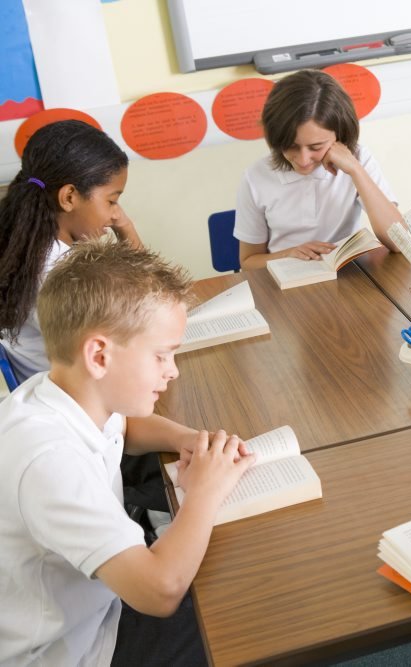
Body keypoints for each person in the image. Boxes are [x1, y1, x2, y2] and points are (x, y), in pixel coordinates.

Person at [0, 240, 255, 666]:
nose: (172, 370)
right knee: (241, 617)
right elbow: (159, 592)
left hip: (101, 607)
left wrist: (186, 439)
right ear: (99, 355)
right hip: (81, 650)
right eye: (161, 356)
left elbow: (127, 426)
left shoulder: (65, 392)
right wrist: (205, 492)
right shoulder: (47, 460)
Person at [0, 120, 141, 383]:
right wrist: (127, 229)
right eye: (112, 201)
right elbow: (144, 306)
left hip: (56, 390)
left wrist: (124, 225)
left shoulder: (32, 247)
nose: (115, 214)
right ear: (69, 198)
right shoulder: (59, 276)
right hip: (75, 398)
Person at [235, 69, 402, 269]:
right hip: (286, 279)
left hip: (348, 277)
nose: (303, 159)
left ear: (339, 136)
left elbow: (399, 243)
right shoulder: (256, 177)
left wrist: (355, 171)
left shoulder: (358, 159)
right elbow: (248, 262)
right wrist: (288, 255)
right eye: (291, 146)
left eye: (316, 147)